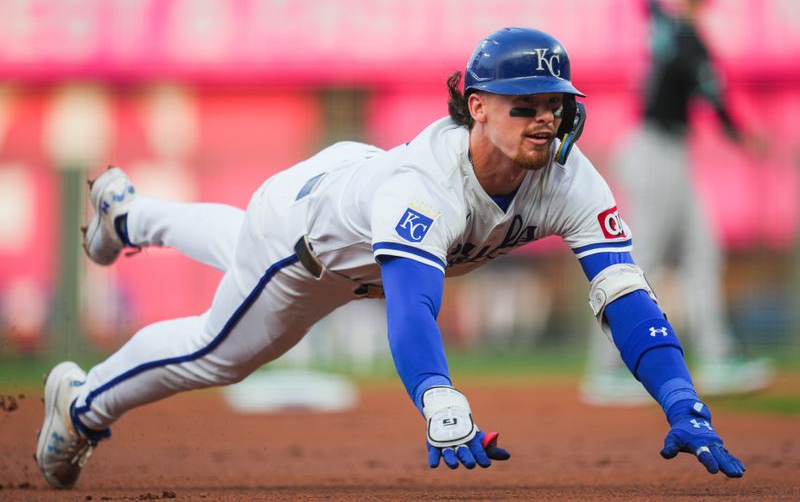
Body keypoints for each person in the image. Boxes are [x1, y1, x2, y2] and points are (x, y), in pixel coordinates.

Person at [36, 27, 746, 490]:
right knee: (220, 351)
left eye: (556, 103)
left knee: (238, 237)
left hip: (345, 195)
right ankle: (82, 404)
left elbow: (624, 292)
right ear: (477, 106)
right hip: (306, 248)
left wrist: (681, 398)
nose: (546, 119)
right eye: (524, 104)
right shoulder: (428, 190)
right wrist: (438, 397)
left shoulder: (568, 175)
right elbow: (412, 306)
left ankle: (128, 213)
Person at [580, 0, 774, 405]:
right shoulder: (688, 38)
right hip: (654, 151)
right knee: (640, 257)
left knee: (702, 251)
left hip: (665, 151)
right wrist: (745, 137)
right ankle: (608, 370)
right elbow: (716, 99)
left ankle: (718, 358)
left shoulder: (668, 23)